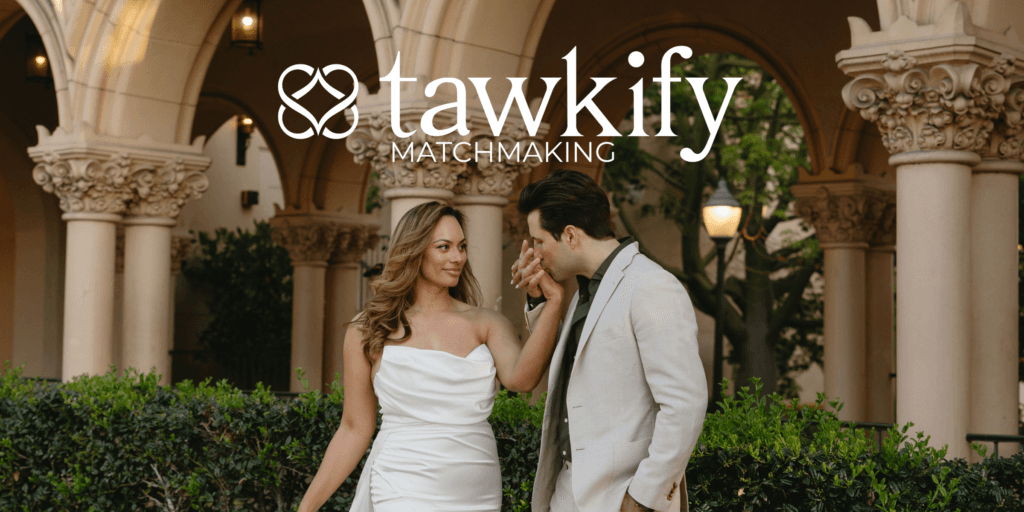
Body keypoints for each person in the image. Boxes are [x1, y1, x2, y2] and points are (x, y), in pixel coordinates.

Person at [297, 201, 564, 512]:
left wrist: (553, 301)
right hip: (402, 485)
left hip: (477, 493)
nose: (458, 257)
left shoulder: (487, 323)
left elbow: (523, 380)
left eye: (462, 246)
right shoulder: (368, 329)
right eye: (444, 247)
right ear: (414, 251)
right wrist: (306, 508)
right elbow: (354, 429)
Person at [510, 170, 708, 512]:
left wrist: (643, 497)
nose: (535, 255)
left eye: (539, 241)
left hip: (621, 497)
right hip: (566, 493)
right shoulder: (584, 291)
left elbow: (685, 404)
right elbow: (580, 373)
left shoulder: (652, 285)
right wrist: (541, 298)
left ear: (570, 235)